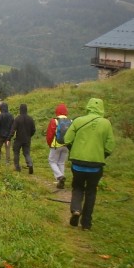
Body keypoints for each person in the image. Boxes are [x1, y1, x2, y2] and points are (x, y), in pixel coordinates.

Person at [64, 98, 115, 230]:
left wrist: (74, 151)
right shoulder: (106, 124)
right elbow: (110, 146)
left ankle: (76, 209)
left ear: (88, 107)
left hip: (78, 164)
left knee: (77, 187)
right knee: (91, 192)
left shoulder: (78, 121)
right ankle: (86, 223)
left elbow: (67, 139)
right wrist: (101, 155)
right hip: (96, 165)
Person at [46, 103, 71, 189]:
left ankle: (59, 176)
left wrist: (49, 144)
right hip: (66, 145)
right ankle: (60, 181)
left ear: (57, 111)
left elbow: (50, 134)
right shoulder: (70, 121)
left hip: (56, 145)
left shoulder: (54, 121)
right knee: (61, 162)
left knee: (52, 161)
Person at [10, 103, 36, 174]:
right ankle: (30, 164)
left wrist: (9, 137)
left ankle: (17, 167)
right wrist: (30, 135)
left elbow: (13, 129)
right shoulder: (30, 119)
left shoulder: (17, 118)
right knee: (26, 153)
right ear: (26, 110)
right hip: (27, 139)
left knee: (16, 152)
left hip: (18, 139)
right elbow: (33, 130)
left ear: (20, 110)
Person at [0, 102, 14, 166]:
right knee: (7, 148)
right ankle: (7, 161)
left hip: (0, 135)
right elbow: (12, 127)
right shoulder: (11, 116)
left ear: (1, 108)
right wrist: (11, 135)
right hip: (8, 137)